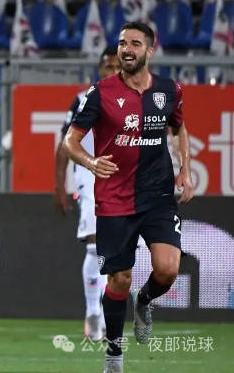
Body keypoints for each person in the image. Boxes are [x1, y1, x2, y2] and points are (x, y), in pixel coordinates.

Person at [63, 21, 193, 373]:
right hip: (114, 199)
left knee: (167, 269)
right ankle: (114, 356)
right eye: (122, 43)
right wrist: (90, 162)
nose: (127, 49)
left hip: (158, 194)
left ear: (150, 50)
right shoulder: (100, 92)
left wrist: (184, 169)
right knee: (119, 279)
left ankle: (145, 300)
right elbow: (70, 141)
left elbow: (179, 127)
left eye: (135, 43)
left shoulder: (168, 90)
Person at [54, 46, 120, 341]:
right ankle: (93, 313)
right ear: (99, 70)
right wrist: (60, 186)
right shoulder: (84, 100)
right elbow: (65, 144)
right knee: (95, 244)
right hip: (90, 177)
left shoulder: (138, 101)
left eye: (117, 66)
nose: (113, 71)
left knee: (117, 252)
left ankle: (105, 314)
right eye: (108, 66)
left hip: (125, 182)